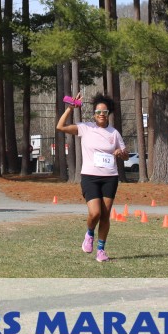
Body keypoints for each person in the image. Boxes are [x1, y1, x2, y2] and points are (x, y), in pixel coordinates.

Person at [56, 92, 127, 262]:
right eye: (98, 112)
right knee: (95, 213)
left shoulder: (114, 133)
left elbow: (125, 156)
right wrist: (70, 108)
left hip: (110, 177)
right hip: (90, 177)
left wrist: (120, 152)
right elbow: (60, 126)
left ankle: (101, 250)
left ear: (108, 113)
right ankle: (89, 234)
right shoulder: (85, 128)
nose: (101, 114)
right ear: (94, 114)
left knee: (105, 215)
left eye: (104, 112)